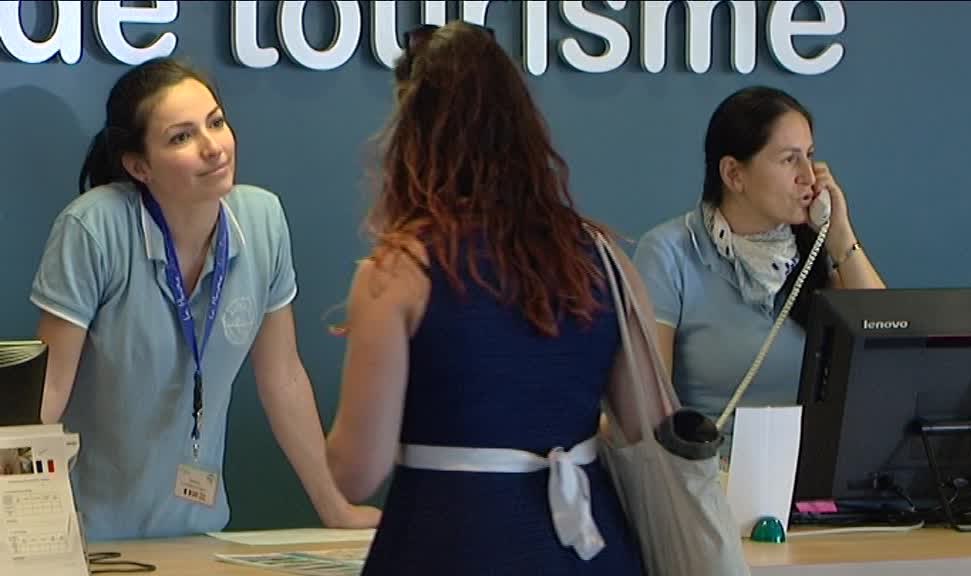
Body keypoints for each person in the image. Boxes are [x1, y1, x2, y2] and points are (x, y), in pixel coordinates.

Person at [325, 21, 659, 575]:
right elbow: (649, 425)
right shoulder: (603, 258)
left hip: (450, 546)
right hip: (589, 550)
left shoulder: (400, 271)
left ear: (411, 136)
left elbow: (356, 472)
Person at [30, 57, 379, 540]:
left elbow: (283, 377)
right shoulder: (94, 227)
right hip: (81, 534)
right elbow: (45, 395)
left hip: (198, 533)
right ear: (139, 165)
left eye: (216, 122)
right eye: (182, 137)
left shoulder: (263, 220)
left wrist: (334, 507)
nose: (213, 147)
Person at [633, 86, 885, 450]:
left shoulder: (816, 249)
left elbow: (882, 349)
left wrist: (841, 236)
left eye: (809, 156)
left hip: (817, 472)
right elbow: (649, 408)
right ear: (734, 174)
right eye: (788, 160)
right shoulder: (668, 251)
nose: (809, 178)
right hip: (713, 477)